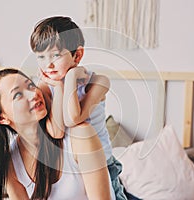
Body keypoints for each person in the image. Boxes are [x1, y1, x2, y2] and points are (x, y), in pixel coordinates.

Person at [0, 68, 115, 200]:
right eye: (17, 94)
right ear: (2, 117)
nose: (33, 94)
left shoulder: (80, 136)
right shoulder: (11, 165)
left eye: (30, 85)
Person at [30, 16, 127, 200]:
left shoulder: (98, 82)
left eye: (55, 55)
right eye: (41, 57)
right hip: (66, 169)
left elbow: (73, 119)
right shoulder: (45, 87)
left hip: (101, 167)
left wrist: (72, 78)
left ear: (77, 55)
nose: (47, 64)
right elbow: (57, 131)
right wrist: (58, 87)